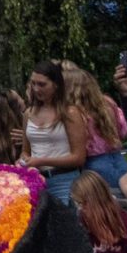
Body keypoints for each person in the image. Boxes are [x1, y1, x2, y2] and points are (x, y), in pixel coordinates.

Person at [17, 62, 89, 191]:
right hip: (36, 180)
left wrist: (40, 161)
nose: (36, 89)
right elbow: (26, 150)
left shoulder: (70, 113)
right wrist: (23, 160)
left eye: (42, 84)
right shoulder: (29, 113)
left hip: (64, 180)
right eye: (33, 83)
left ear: (56, 85)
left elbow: (78, 158)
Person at [65, 62, 127, 193]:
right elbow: (126, 131)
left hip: (94, 163)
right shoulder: (108, 103)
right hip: (118, 159)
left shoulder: (76, 113)